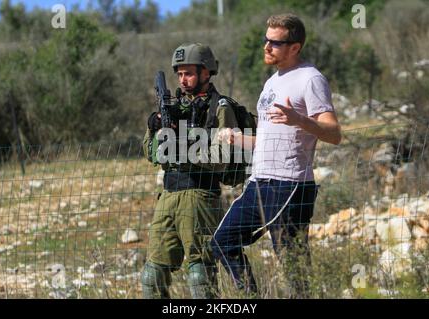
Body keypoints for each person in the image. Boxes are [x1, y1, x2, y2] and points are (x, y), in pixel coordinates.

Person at [211, 13, 342, 298]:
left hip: (290, 185)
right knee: (222, 241)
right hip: (260, 183)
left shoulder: (310, 79)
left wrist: (301, 120)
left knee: (294, 267)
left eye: (275, 43)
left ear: (295, 47)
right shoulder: (272, 82)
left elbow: (334, 133)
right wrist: (236, 138)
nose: (266, 47)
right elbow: (270, 140)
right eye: (265, 40)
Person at [141, 43, 239, 298]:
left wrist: (183, 143)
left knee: (200, 275)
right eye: (180, 74)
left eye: (190, 73)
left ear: (206, 73)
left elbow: (222, 158)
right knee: (152, 275)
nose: (183, 80)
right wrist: (155, 129)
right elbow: (152, 155)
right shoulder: (173, 107)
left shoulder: (220, 107)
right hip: (169, 194)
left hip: (200, 195)